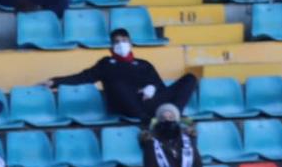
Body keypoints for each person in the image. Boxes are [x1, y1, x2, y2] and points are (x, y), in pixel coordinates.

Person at [46, 29, 198, 123]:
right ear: (111, 47)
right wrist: (55, 81)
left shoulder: (143, 64)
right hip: (129, 106)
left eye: (124, 41)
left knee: (190, 78)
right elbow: (83, 77)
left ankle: (173, 113)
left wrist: (151, 88)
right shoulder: (106, 64)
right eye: (117, 42)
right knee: (117, 83)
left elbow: (160, 86)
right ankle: (147, 120)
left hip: (151, 102)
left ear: (131, 44)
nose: (121, 44)